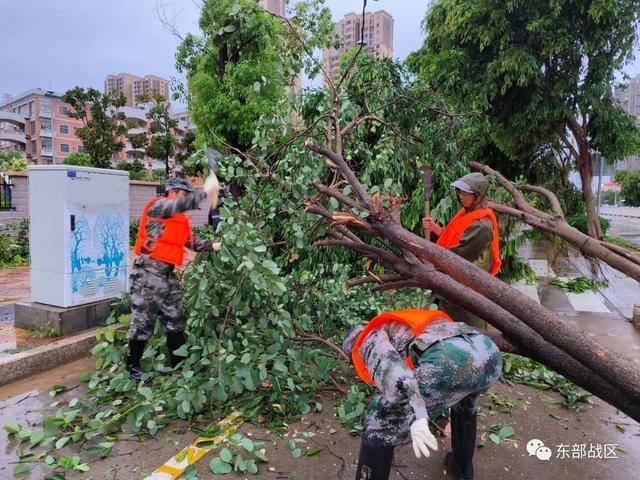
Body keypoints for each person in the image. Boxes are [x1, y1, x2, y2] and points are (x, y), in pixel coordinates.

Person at [343, 309, 502, 480]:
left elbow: (397, 378)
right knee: (464, 402)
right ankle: (462, 467)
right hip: (488, 353)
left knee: (379, 415)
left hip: (451, 361)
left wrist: (419, 414)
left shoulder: (368, 338)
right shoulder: (398, 325)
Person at [127, 174, 220, 380]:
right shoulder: (160, 207)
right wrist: (206, 190)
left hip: (167, 276)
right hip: (147, 274)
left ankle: (178, 364)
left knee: (176, 318)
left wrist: (215, 246)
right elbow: (185, 204)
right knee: (143, 322)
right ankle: (133, 368)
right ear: (172, 192)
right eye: (183, 194)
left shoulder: (178, 221)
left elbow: (192, 242)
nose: (186, 199)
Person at [422, 172, 501, 330]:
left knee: (464, 328)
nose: (461, 196)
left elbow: (461, 253)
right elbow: (459, 238)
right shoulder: (467, 212)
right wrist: (437, 229)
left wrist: (428, 255)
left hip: (466, 282)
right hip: (455, 276)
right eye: (459, 192)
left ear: (478, 196)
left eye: (466, 193)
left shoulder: (482, 225)